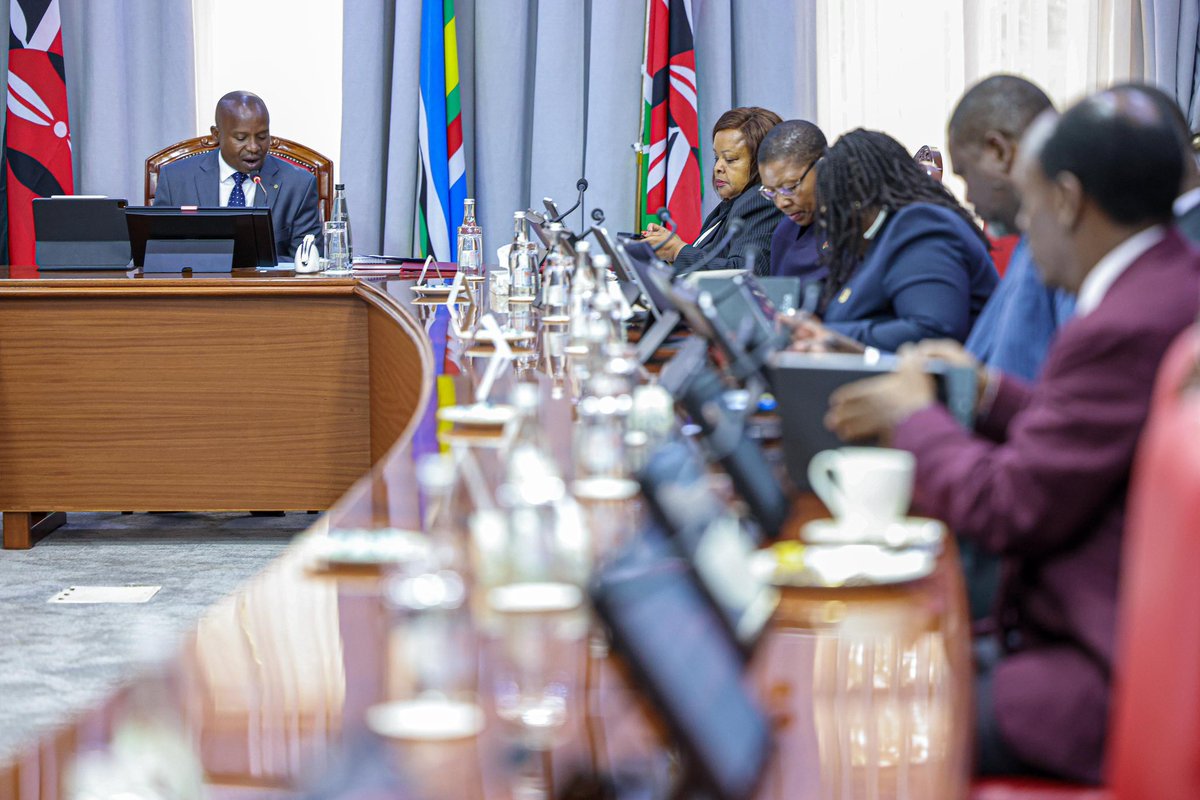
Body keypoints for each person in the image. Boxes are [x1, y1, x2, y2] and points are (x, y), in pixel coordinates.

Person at [824, 88, 1200, 784]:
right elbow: (1086, 436)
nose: (1021, 226)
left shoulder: (1122, 323)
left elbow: (1007, 506)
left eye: (1028, 204)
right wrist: (986, 391)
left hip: (1091, 671)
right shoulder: (1170, 280)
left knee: (855, 718)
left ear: (1068, 200)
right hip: (1099, 634)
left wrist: (913, 416)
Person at [791, 129, 997, 352]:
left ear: (857, 200)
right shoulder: (885, 240)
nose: (831, 223)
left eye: (833, 209)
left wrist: (830, 334)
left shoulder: (919, 226)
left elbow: (934, 330)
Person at [949, 75, 1075, 383]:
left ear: (999, 152)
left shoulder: (1066, 244)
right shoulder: (1029, 243)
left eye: (965, 174)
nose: (968, 196)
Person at [154, 91, 322, 259]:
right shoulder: (175, 180)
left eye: (262, 137)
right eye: (241, 138)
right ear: (217, 135)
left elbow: (307, 260)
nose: (253, 147)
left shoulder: (298, 185)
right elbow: (158, 254)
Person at [642, 107, 783, 276]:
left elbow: (744, 274)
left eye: (730, 159)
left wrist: (677, 250)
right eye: (717, 158)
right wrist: (671, 248)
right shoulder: (730, 206)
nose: (717, 167)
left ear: (763, 162)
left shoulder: (761, 200)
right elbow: (714, 262)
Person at [757, 119, 828, 282]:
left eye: (789, 187)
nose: (781, 203)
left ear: (822, 166)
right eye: (770, 191)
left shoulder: (856, 226)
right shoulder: (783, 233)